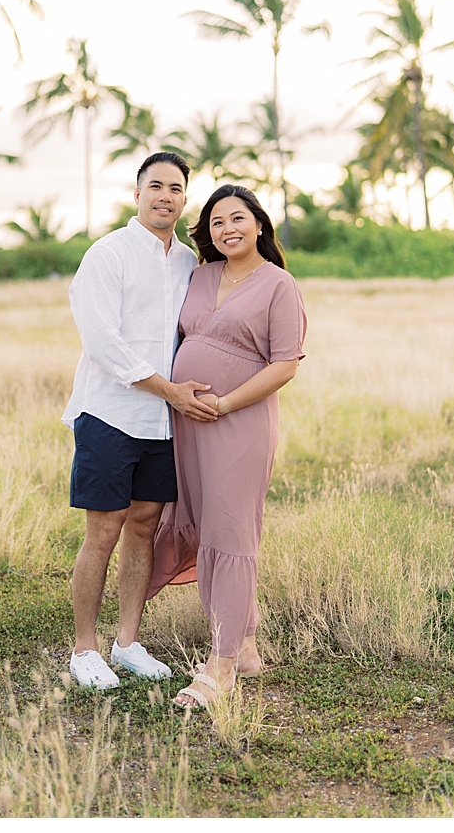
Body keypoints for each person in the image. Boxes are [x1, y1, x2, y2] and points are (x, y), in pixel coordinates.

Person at [61, 152, 219, 690]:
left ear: (184, 198)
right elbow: (105, 344)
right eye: (155, 186)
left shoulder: (187, 262)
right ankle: (85, 650)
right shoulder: (107, 254)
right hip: (109, 413)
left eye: (176, 189)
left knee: (145, 527)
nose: (165, 197)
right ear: (136, 193)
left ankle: (127, 642)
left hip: (162, 423)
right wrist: (170, 389)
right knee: (102, 531)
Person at [147, 184, 307, 709]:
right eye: (216, 222)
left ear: (259, 224)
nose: (227, 229)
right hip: (190, 422)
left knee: (233, 533)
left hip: (238, 423)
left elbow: (285, 364)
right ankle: (248, 647)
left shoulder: (278, 285)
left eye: (237, 218)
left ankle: (221, 668)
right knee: (210, 528)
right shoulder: (201, 274)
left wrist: (227, 403)